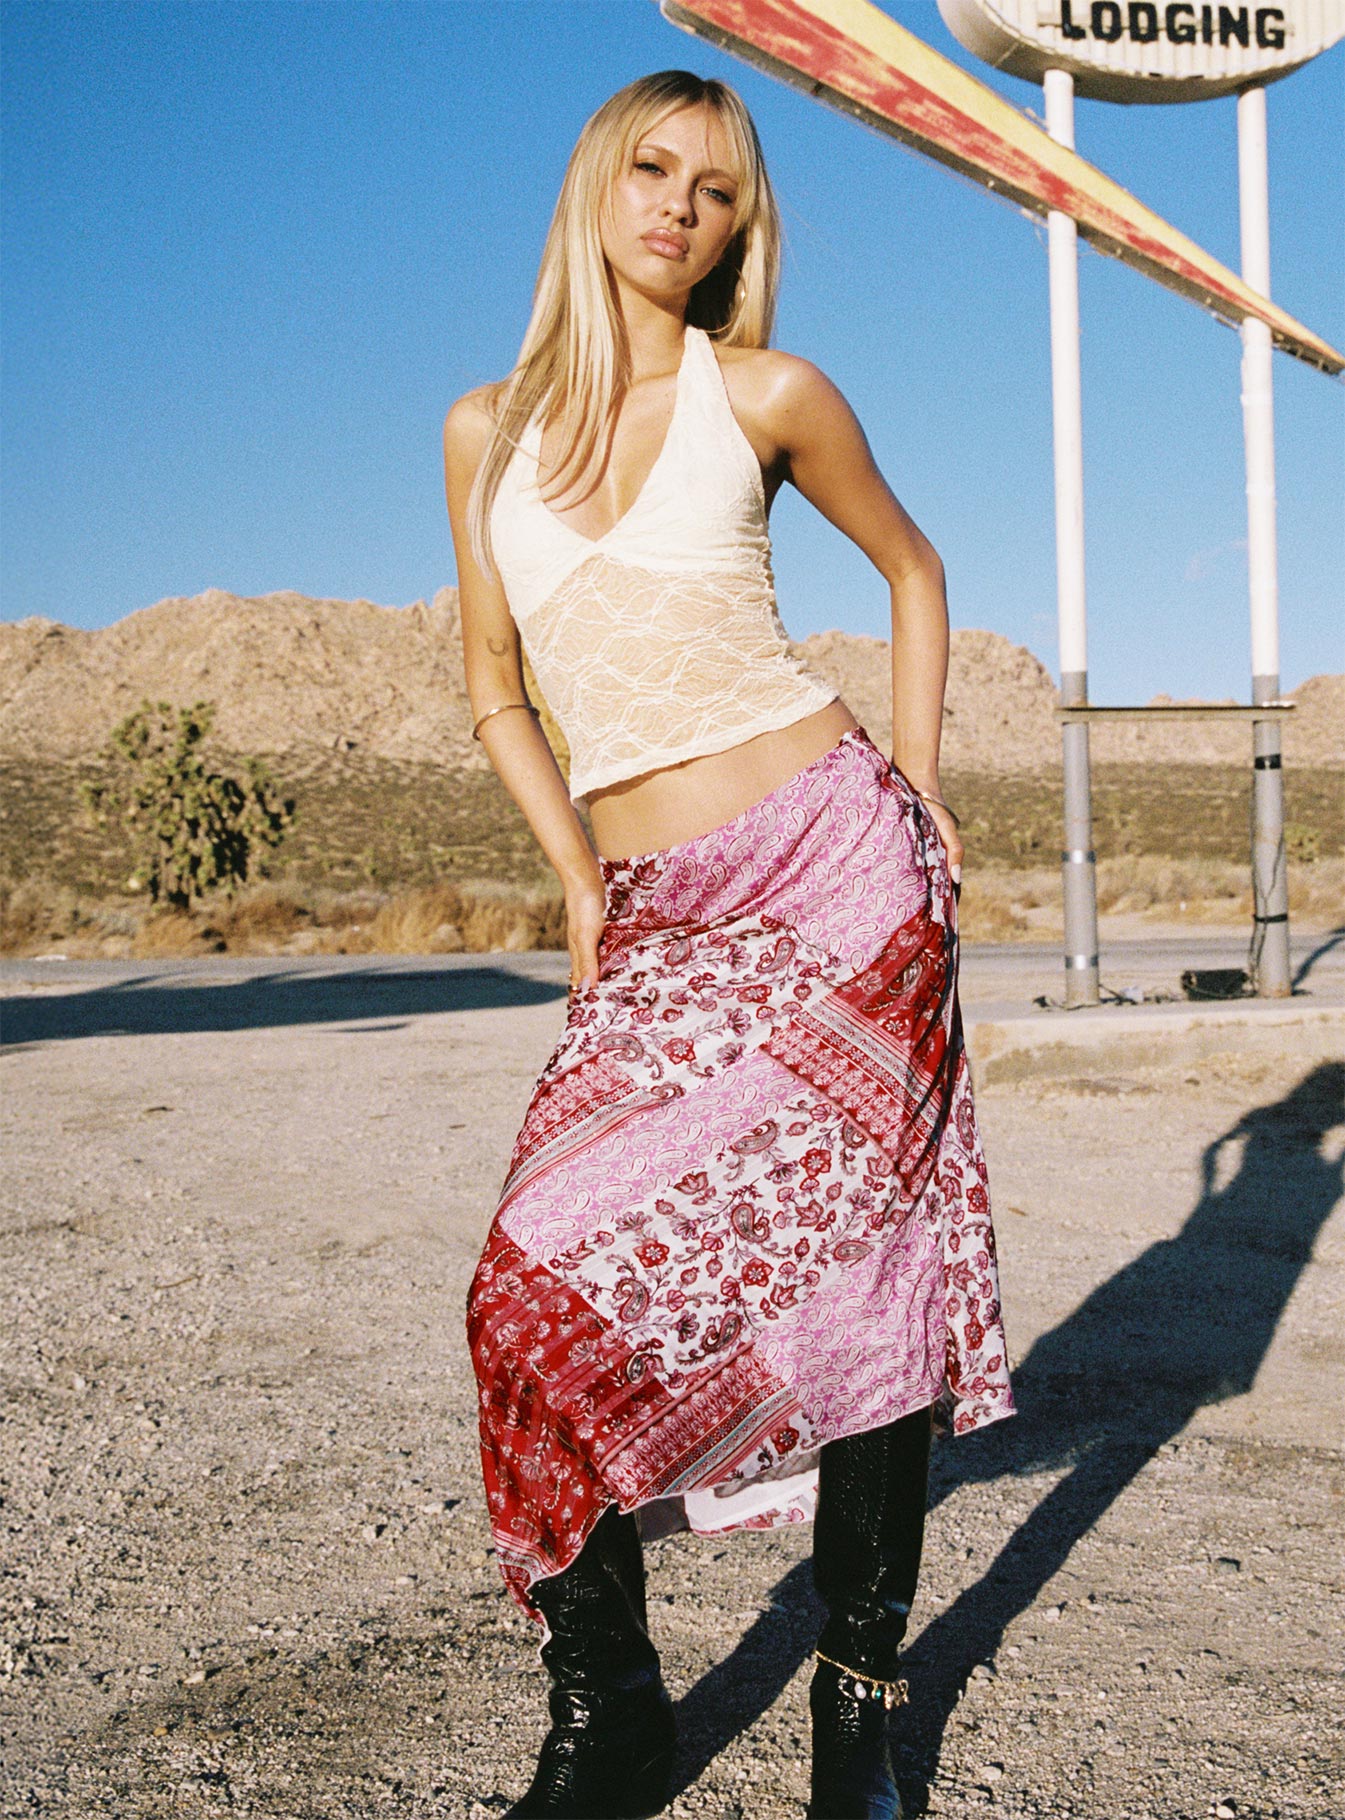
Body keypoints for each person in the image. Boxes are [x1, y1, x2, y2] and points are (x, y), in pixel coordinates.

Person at [442, 68, 1014, 1820]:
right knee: (522, 1292)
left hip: (837, 870)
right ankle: (612, 1713)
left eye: (715, 191)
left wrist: (916, 790)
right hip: (658, 915)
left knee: (865, 1293)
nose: (678, 208)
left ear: (734, 230)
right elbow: (494, 686)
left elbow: (913, 570)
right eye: (651, 170)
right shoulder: (482, 432)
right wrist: (575, 878)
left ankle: (858, 1703)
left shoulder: (763, 392)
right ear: (592, 184)